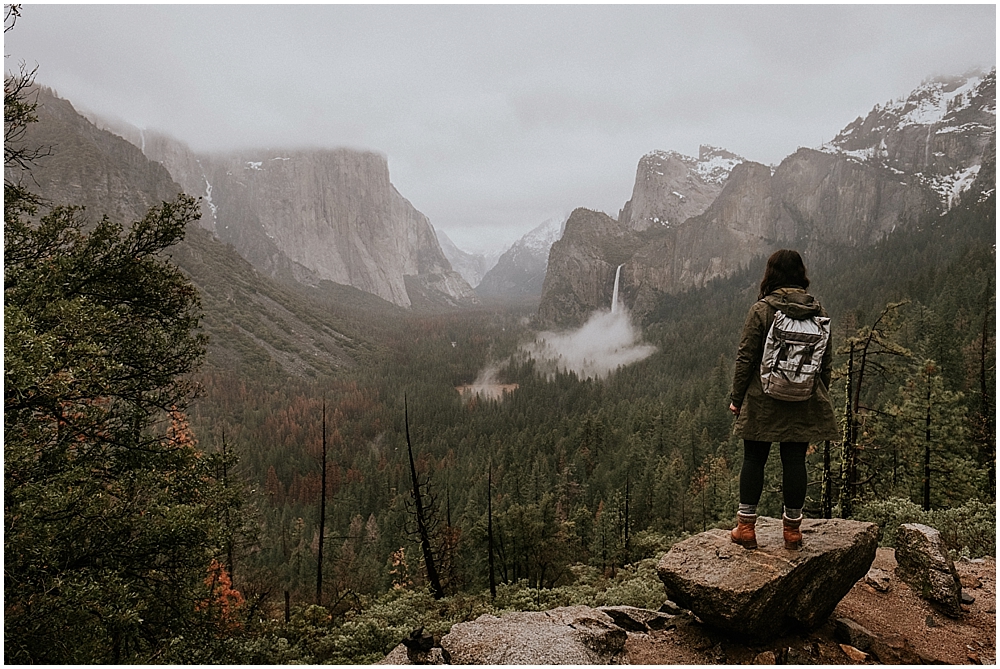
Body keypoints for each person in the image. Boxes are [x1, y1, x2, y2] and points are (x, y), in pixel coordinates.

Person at [728, 249, 839, 550]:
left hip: (762, 397)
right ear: (800, 274)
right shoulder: (819, 311)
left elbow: (745, 358)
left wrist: (737, 398)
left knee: (754, 459)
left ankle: (746, 529)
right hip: (802, 397)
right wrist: (814, 394)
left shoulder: (762, 310)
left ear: (771, 275)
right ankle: (792, 532)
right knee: (794, 461)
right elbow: (824, 363)